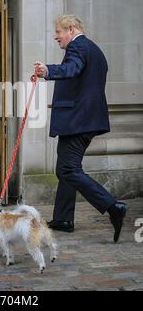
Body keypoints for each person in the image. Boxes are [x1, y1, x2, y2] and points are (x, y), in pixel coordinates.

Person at [34, 14, 126, 243]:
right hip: (83, 119)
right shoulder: (94, 50)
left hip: (78, 122)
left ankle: (112, 206)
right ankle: (63, 219)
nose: (56, 37)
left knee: (68, 169)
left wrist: (47, 71)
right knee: (66, 168)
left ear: (72, 29)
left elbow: (71, 70)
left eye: (58, 32)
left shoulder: (78, 48)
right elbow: (83, 85)